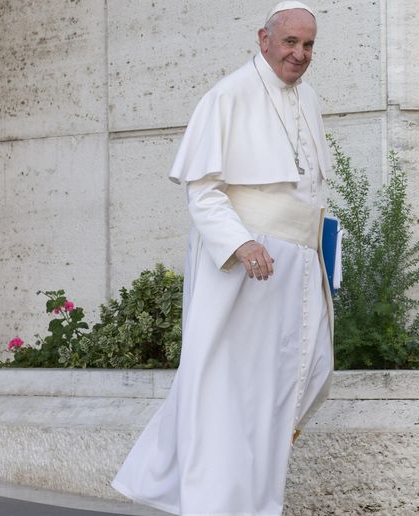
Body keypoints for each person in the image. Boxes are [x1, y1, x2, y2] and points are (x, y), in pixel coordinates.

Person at [111, 2, 334, 514]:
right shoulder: (227, 95)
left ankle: (257, 500)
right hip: (247, 268)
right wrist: (240, 243)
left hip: (297, 268)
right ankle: (215, 502)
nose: (299, 55)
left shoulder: (310, 99)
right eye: (290, 43)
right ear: (264, 38)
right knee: (229, 392)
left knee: (298, 378)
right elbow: (204, 189)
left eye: (309, 45)